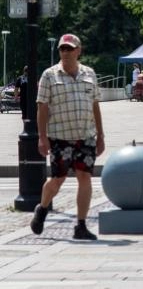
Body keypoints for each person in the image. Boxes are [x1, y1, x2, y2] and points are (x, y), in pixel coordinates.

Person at [30, 33, 105, 241]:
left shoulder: (89, 74)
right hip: (60, 137)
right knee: (57, 179)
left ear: (78, 51)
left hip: (85, 136)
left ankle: (81, 225)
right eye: (62, 49)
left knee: (85, 177)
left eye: (70, 49)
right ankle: (42, 208)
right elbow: (42, 107)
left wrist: (100, 135)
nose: (65, 52)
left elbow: (95, 105)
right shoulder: (49, 75)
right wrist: (42, 137)